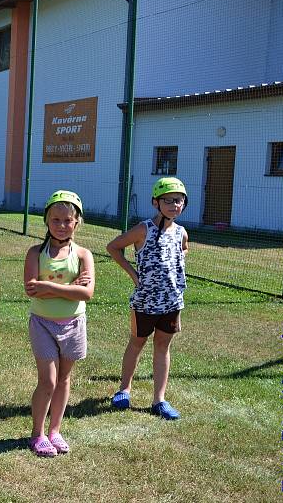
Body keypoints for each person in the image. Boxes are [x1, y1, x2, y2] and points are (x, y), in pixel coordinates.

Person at [107, 177, 188, 421]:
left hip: (172, 302)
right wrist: (133, 274)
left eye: (179, 200)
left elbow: (183, 252)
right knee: (137, 342)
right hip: (145, 302)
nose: (174, 205)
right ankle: (124, 389)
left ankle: (159, 400)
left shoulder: (182, 233)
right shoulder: (143, 229)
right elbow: (113, 247)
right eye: (168, 200)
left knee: (163, 346)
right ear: (156, 202)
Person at [24, 191, 94, 457]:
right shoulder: (35, 253)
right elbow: (31, 290)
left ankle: (55, 430)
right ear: (46, 220)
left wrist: (48, 286)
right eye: (56, 219)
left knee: (64, 379)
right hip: (42, 323)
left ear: (77, 222)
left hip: (74, 323)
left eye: (67, 220)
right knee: (48, 381)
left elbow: (86, 293)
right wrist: (68, 288)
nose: (61, 225)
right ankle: (38, 433)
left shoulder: (84, 255)